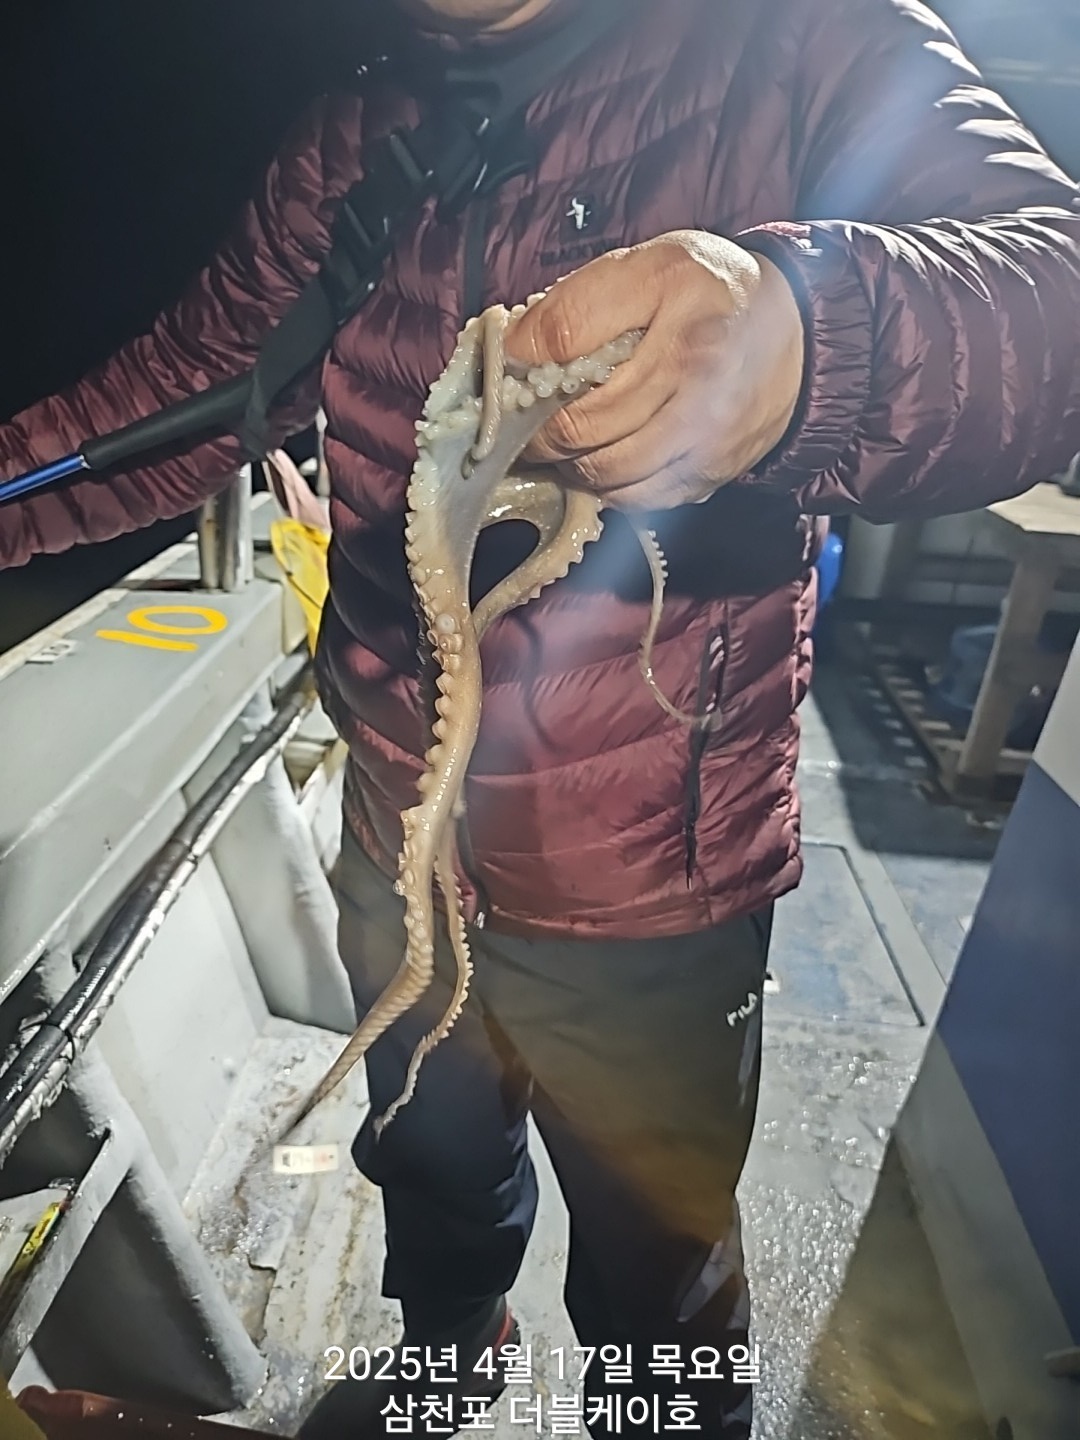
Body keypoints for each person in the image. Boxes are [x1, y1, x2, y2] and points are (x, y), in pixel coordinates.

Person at [2, 0, 1079, 1434]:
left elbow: (1053, 304)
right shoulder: (360, 133)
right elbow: (174, 400)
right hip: (399, 837)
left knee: (657, 1266)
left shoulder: (799, 41)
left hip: (652, 883)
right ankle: (451, 1365)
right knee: (430, 1167)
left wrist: (811, 331)